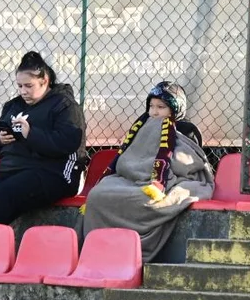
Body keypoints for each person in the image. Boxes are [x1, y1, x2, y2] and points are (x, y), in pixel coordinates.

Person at [82, 82, 214, 262]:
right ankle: (98, 252)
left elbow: (186, 164)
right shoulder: (142, 126)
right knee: (97, 194)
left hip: (160, 182)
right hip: (129, 179)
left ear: (176, 109)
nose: (154, 112)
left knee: (146, 199)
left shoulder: (185, 131)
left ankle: (127, 252)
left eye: (161, 107)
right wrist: (136, 168)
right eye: (151, 106)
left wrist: (155, 174)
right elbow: (128, 159)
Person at [0, 51, 86, 226]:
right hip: (15, 172)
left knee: (8, 192)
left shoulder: (64, 105)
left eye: (29, 86)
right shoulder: (14, 106)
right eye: (20, 86)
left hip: (54, 174)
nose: (23, 91)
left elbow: (67, 143)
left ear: (44, 81)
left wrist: (30, 134)